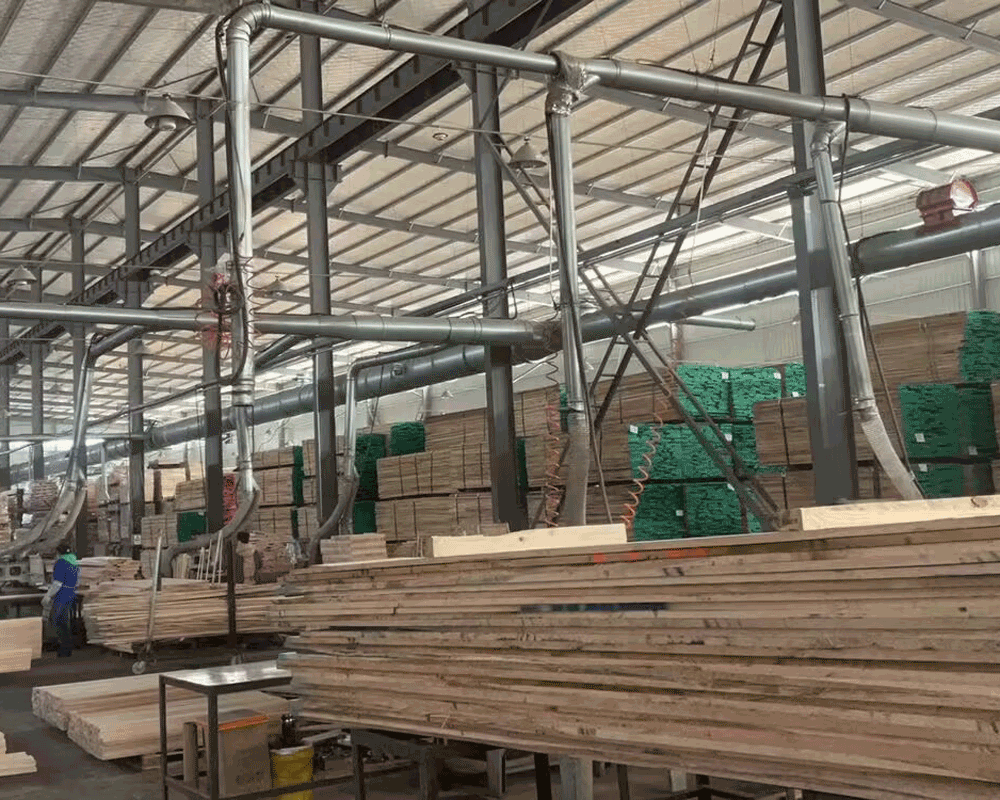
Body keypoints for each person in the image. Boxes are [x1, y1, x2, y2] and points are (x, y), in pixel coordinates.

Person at [42, 543, 79, 658]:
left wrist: (48, 595)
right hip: (71, 593)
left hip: (62, 594)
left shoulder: (61, 563)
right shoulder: (74, 562)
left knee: (57, 620)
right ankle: (67, 648)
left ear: (58, 553)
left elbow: (57, 583)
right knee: (65, 621)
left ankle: (63, 648)